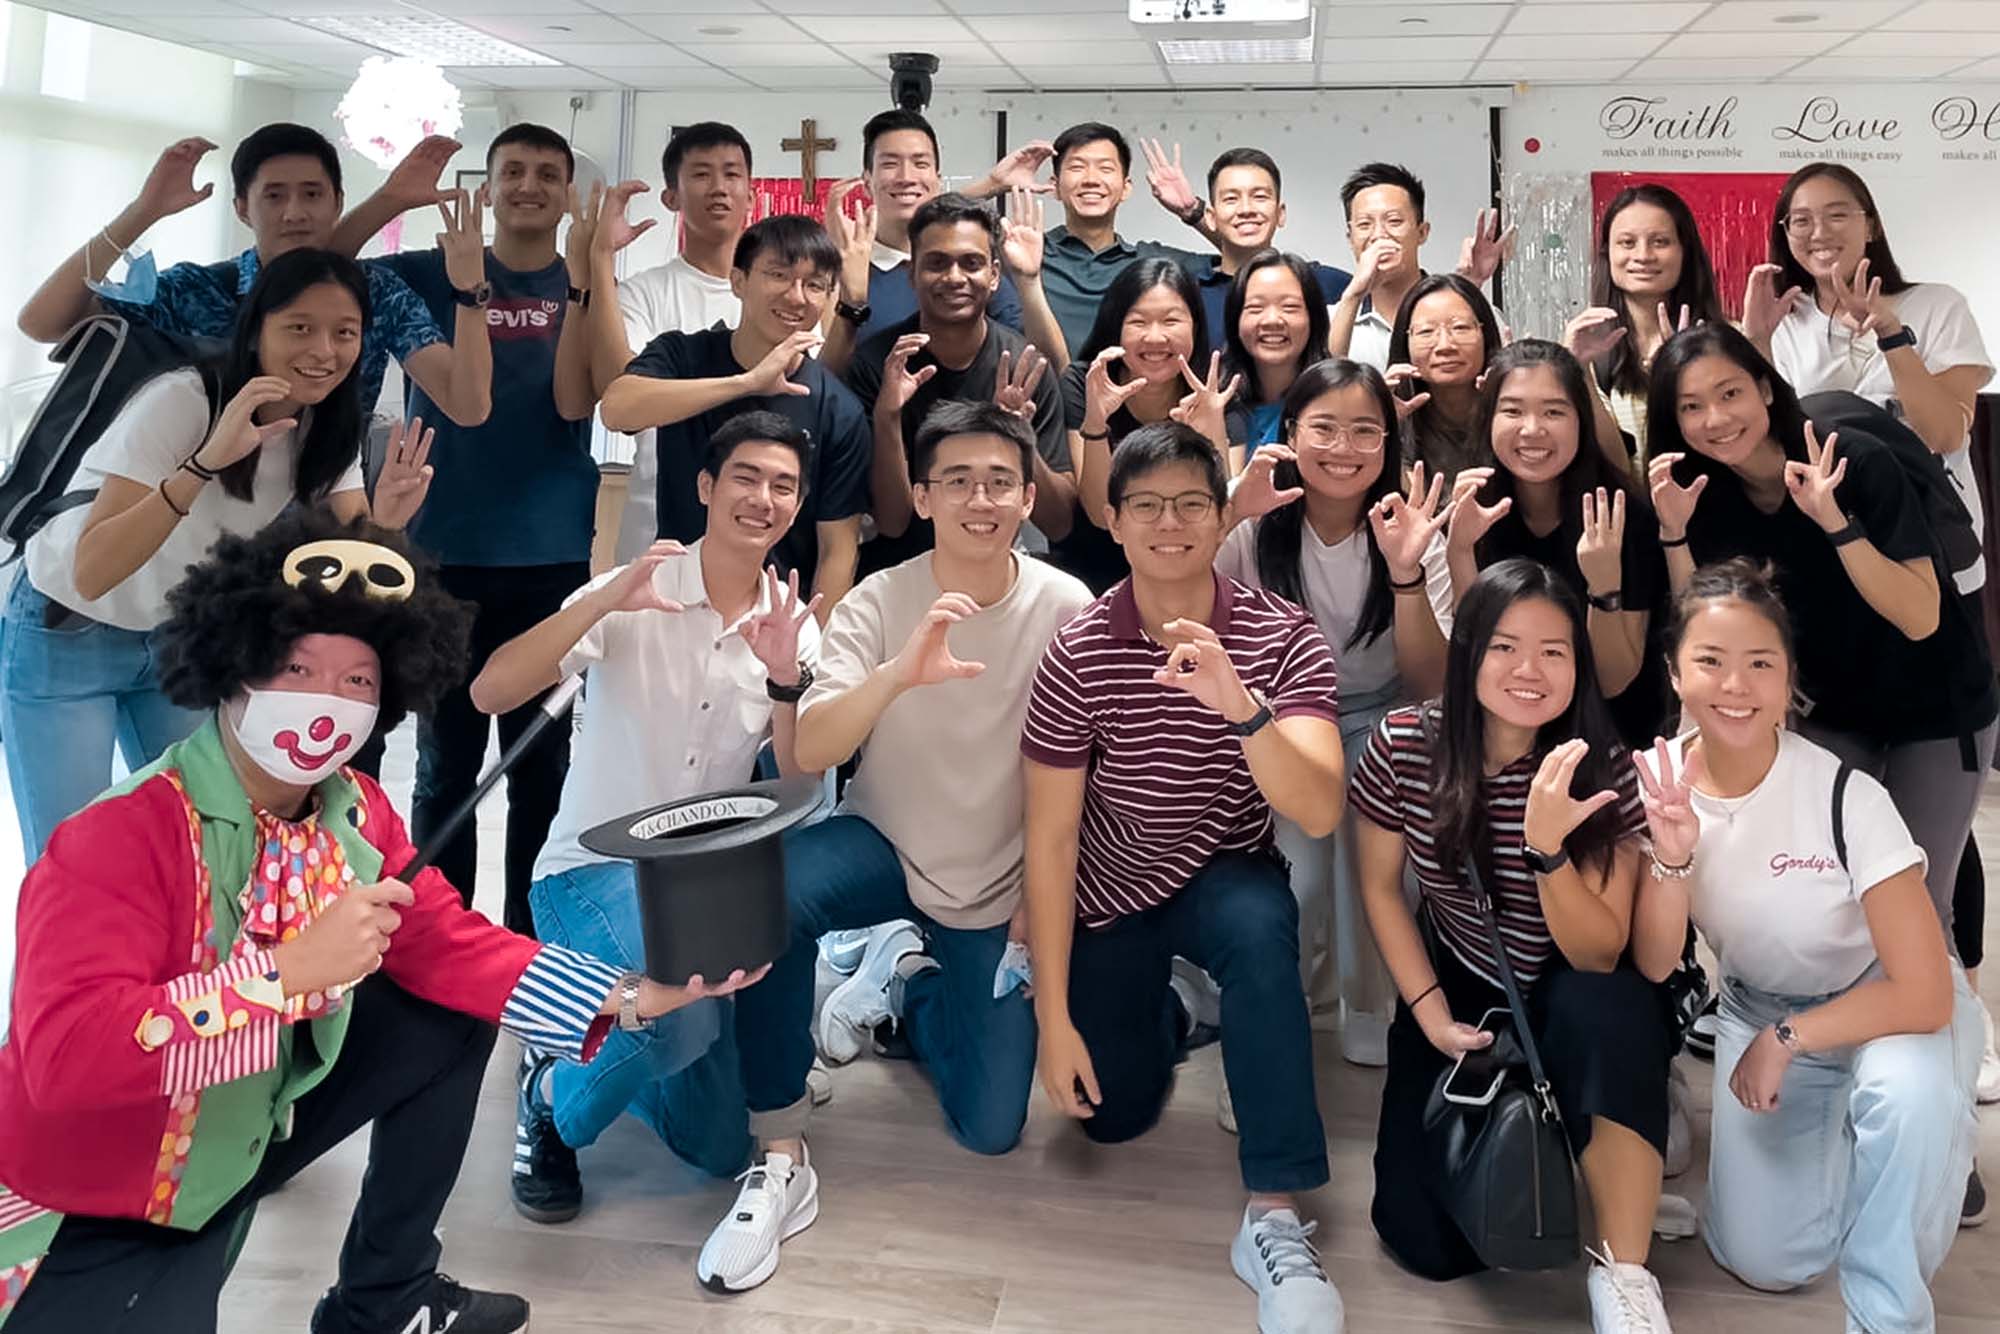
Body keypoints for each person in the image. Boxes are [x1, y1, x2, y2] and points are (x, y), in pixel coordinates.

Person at [0, 509, 762, 1333]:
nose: (326, 701)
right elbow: (65, 1063)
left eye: (357, 681)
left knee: (451, 1014)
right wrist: (282, 976)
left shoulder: (355, 810)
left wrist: (633, 996)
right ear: (232, 666)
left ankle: (386, 1298)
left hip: (251, 1120)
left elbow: (443, 940)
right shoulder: (118, 835)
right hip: (101, 1192)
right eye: (295, 667)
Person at [697, 400, 1094, 1293]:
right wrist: (896, 674)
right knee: (774, 891)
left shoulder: (1067, 605)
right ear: (920, 495)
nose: (979, 500)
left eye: (1000, 481)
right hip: (884, 843)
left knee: (993, 1129)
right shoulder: (881, 598)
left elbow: (1092, 772)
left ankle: (906, 985)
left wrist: (1043, 893)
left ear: (1029, 496)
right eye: (956, 481)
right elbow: (813, 752)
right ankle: (779, 1139)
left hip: (997, 881)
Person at [1648, 322, 1999, 1223]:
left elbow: (1921, 615)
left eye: (1730, 393)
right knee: (1834, 906)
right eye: (1690, 406)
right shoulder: (1710, 492)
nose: (1715, 419)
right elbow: (1712, 626)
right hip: (1831, 714)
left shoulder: (1850, 461)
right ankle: (1839, 1086)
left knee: (1917, 909)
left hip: (1933, 713)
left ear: (1766, 388)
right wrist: (1677, 535)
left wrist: (1834, 521)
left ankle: (1939, 1135)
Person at [1023, 421, 1349, 1334]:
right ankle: (1176, 1010)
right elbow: (1049, 841)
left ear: (1221, 518)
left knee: (1258, 927)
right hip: (1112, 885)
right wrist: (1054, 1020)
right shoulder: (1080, 646)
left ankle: (1276, 1216)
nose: (1171, 524)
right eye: (1148, 507)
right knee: (1108, 1118)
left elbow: (1319, 810)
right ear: (1115, 522)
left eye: (1192, 505)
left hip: (1222, 871)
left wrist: (1241, 706)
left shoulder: (1281, 634)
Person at [469, 410, 821, 1226]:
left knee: (717, 1148)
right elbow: (491, 692)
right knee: (680, 1018)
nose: (762, 498)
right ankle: (551, 1094)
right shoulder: (637, 588)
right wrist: (598, 607)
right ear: (705, 486)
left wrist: (784, 685)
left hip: (697, 891)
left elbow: (801, 782)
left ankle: (592, 1030)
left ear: (797, 506)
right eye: (745, 478)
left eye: (783, 486)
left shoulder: (790, 624)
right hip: (590, 870)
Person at [1628, 559, 1979, 1332]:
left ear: (1789, 681)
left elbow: (1920, 994)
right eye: (1711, 662)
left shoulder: (1846, 794)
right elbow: (1655, 962)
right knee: (1769, 1264)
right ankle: (1866, 1162)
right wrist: (1673, 854)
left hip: (1887, 1001)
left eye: (1761, 665)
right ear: (1675, 674)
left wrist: (1788, 1040)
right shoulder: (1656, 785)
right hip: (1761, 1003)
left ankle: (1888, 1311)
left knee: (1908, 1101)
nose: (1736, 686)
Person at [0, 248, 432, 861]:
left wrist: (388, 522)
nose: (323, 351)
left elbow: (358, 560)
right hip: (67, 629)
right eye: (299, 328)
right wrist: (203, 464)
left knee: (199, 845)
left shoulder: (328, 426)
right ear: (257, 332)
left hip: (177, 635)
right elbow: (92, 571)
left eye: (345, 333)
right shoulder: (185, 401)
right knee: (70, 858)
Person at [1351, 559, 1673, 1332]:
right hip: (1463, 982)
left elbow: (1600, 954)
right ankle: (1595, 1133)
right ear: (1468, 654)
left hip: (1578, 991)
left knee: (1607, 1007)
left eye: (1554, 651)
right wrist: (1428, 1014)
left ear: (1579, 665)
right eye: (1503, 647)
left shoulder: (1605, 770)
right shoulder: (1403, 744)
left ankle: (1626, 1272)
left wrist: (1548, 852)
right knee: (1425, 1242)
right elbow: (1378, 890)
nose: (1528, 670)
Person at [342, 122, 602, 940]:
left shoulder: (588, 288)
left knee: (541, 768)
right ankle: (438, 939)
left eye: (547, 174)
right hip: (440, 555)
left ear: (567, 194)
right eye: (512, 170)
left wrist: (596, 271)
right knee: (445, 765)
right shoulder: (429, 273)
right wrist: (388, 199)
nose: (529, 185)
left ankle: (531, 943)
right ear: (486, 189)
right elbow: (320, 272)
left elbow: (589, 395)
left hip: (551, 557)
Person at [1217, 358, 1455, 1065]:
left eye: (1364, 431)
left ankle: (1368, 1001)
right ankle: (1269, 1032)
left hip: (1382, 718)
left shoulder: (1409, 533)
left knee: (1376, 851)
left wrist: (1406, 573)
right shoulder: (1257, 531)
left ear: (1388, 444)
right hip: (1279, 721)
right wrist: (1232, 512)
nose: (1344, 449)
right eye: (1324, 428)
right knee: (1300, 874)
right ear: (1290, 432)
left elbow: (1425, 682)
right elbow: (1187, 609)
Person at [17, 124, 491, 424]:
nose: (294, 213)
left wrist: (471, 294)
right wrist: (143, 212)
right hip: (189, 533)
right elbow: (43, 324)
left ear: (337, 203)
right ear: (243, 208)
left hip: (319, 532)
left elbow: (466, 406)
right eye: (274, 196)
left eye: (311, 194)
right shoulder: (197, 293)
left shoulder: (378, 294)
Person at [599, 214, 869, 617]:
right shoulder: (682, 354)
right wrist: (747, 383)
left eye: (814, 285)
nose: (796, 297)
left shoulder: (838, 408)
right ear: (738, 281)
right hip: (673, 605)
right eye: (778, 275)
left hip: (773, 618)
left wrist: (810, 653)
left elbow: (837, 548)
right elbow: (617, 409)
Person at [1747, 162, 1994, 577]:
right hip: (1826, 540)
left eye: (1837, 214)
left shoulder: (1937, 306)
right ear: (1786, 234)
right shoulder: (1782, 322)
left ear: (1872, 226)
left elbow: (1946, 435)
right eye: (1801, 221)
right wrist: (1755, 343)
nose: (1820, 232)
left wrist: (1890, 333)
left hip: (1931, 542)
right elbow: (1770, 441)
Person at [1446, 340, 1672, 748]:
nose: (1532, 429)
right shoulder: (1474, 508)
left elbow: (1614, 681)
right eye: (1512, 410)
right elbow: (1471, 661)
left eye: (1554, 411)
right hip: (1505, 733)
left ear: (1581, 421)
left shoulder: (1622, 515)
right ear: (1488, 418)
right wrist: (1460, 552)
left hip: (1611, 739)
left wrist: (1604, 587)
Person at [841, 193, 1076, 574]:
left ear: (995, 275)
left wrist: (1018, 434)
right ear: (911, 273)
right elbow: (893, 522)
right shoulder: (876, 364)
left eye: (971, 263)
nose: (954, 278)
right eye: (936, 263)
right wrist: (887, 417)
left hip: (998, 570)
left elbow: (1060, 523)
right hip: (899, 575)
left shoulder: (1024, 366)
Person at [587, 122, 753, 563]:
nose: (719, 188)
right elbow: (619, 397)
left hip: (758, 523)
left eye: (732, 174)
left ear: (751, 194)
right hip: (657, 532)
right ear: (671, 198)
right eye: (701, 174)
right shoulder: (645, 292)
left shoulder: (777, 295)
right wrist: (600, 257)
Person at [818, 109, 1059, 372]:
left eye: (920, 164)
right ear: (866, 182)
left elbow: (1045, 367)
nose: (906, 177)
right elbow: (827, 382)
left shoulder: (971, 268)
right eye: (889, 164)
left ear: (937, 180)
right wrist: (851, 301)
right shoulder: (843, 267)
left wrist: (1029, 280)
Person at [1058, 258, 1236, 593]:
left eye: (1171, 321)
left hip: (1187, 571)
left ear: (1195, 326)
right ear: (1116, 327)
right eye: (1138, 322)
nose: (1155, 338)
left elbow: (1221, 520)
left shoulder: (1214, 387)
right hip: (1094, 574)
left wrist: (1211, 429)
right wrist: (1096, 421)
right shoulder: (1086, 382)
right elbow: (1099, 514)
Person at [1565, 184, 1727, 473]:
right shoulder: (1587, 348)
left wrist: (1681, 374)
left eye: (1660, 242)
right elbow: (1614, 467)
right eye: (1627, 243)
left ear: (1684, 252)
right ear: (1606, 253)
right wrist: (1577, 370)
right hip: (1627, 513)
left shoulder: (1726, 341)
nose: (1643, 255)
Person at [1036, 123, 1205, 359]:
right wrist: (993, 183)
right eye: (1077, 167)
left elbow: (1245, 264)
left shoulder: (1151, 263)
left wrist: (1193, 212)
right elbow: (964, 228)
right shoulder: (1025, 254)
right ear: (1054, 186)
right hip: (1044, 395)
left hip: (1134, 394)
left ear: (1126, 188)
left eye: (1105, 168)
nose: (1091, 179)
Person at [1330, 162, 1513, 371]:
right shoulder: (1332, 320)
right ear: (1350, 238)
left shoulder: (1476, 314)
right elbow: (1322, 386)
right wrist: (1354, 294)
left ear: (1422, 232)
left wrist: (1468, 289)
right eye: (1364, 225)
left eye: (1394, 221)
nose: (1379, 235)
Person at [1168, 148, 1350, 346]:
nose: (1246, 209)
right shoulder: (1188, 295)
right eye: (1231, 199)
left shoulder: (1326, 285)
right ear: (1211, 217)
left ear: (1280, 214)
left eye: (1260, 197)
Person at [1385, 273, 1503, 481]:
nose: (1445, 346)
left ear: (1485, 334)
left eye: (1460, 328)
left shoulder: (1511, 414)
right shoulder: (1392, 420)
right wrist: (1382, 426)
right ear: (1406, 341)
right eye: (1426, 331)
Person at [1218, 250, 1331, 459]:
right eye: (1255, 307)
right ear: (1235, 319)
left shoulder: (1336, 398)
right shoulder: (1214, 403)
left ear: (1313, 317)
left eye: (1289, 307)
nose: (1272, 320)